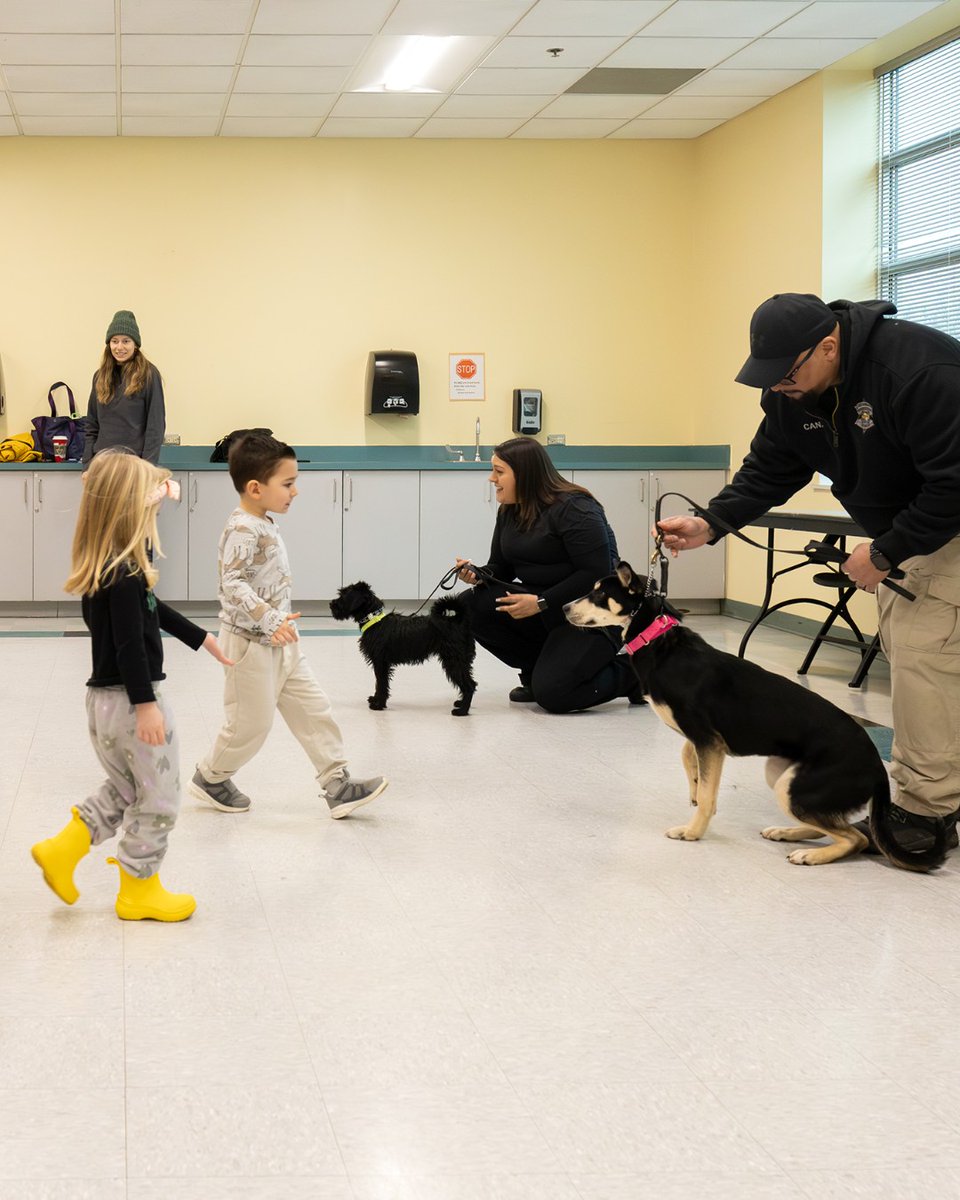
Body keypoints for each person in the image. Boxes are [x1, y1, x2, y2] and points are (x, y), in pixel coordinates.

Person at [657, 292, 960, 857]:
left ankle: (929, 813)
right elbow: (771, 466)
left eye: (784, 374)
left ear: (828, 346)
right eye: (765, 379)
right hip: (914, 531)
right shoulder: (793, 394)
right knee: (922, 660)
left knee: (926, 663)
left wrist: (888, 550)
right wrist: (712, 521)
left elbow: (954, 483)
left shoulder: (918, 370)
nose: (775, 387)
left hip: (946, 525)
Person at [30, 449, 232, 921]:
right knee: (159, 796)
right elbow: (130, 649)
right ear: (129, 508)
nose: (158, 508)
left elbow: (152, 610)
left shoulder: (113, 569)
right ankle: (140, 888)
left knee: (125, 789)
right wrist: (146, 706)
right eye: (152, 504)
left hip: (102, 703)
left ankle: (63, 849)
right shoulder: (123, 576)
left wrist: (202, 639)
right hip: (129, 701)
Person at [189, 431, 388, 818]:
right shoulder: (242, 527)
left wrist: (279, 622)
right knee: (250, 726)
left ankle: (337, 784)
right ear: (255, 488)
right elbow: (232, 584)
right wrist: (269, 617)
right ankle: (210, 777)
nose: (295, 491)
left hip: (283, 640)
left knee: (314, 709)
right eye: (288, 483)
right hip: (248, 644)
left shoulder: (262, 519)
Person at [456, 436, 641, 712]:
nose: (491, 478)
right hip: (546, 609)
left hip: (594, 613)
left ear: (525, 473)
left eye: (499, 471)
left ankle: (634, 674)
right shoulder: (510, 509)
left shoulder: (576, 508)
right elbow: (501, 566)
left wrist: (541, 601)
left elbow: (596, 573)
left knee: (555, 695)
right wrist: (479, 574)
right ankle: (535, 670)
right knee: (469, 606)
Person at [82, 310, 165, 464]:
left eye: (126, 341)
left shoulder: (149, 374)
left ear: (135, 345)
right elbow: (91, 426)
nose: (119, 347)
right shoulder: (99, 377)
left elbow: (156, 426)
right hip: (102, 463)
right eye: (114, 341)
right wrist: (87, 465)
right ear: (109, 344)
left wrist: (148, 467)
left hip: (134, 464)